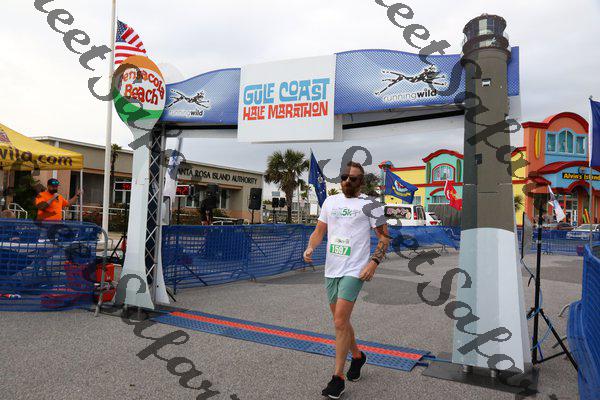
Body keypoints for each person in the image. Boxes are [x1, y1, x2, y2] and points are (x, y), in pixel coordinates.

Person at [303, 161, 389, 399]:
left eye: (353, 178)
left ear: (361, 181)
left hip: (355, 269)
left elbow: (384, 238)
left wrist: (373, 263)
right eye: (344, 177)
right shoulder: (330, 202)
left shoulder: (371, 205)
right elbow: (319, 231)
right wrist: (310, 247)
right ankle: (358, 357)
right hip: (332, 269)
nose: (347, 181)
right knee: (341, 321)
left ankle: (337, 378)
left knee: (340, 321)